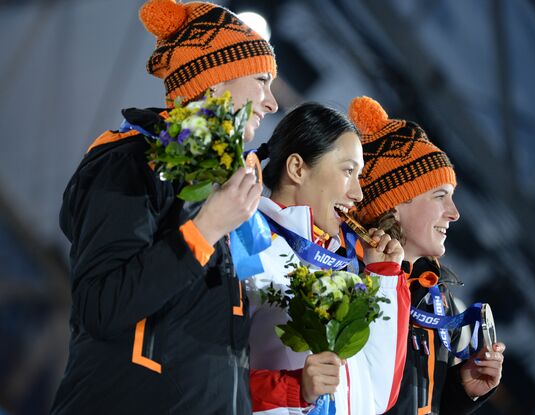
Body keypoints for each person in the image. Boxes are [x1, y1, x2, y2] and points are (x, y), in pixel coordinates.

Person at [50, 1, 277, 414]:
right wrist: (204, 230)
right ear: (215, 82)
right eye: (261, 80)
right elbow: (102, 307)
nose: (271, 102)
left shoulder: (224, 190)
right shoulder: (132, 160)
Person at [246, 103, 411, 414]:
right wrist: (294, 389)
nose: (359, 193)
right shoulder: (248, 245)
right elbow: (205, 373)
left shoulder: (343, 274)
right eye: (348, 171)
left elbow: (378, 398)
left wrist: (384, 276)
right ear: (297, 169)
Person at [348, 96, 505, 415]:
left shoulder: (437, 299)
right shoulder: (348, 274)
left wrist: (461, 392)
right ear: (395, 203)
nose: (454, 213)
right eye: (440, 197)